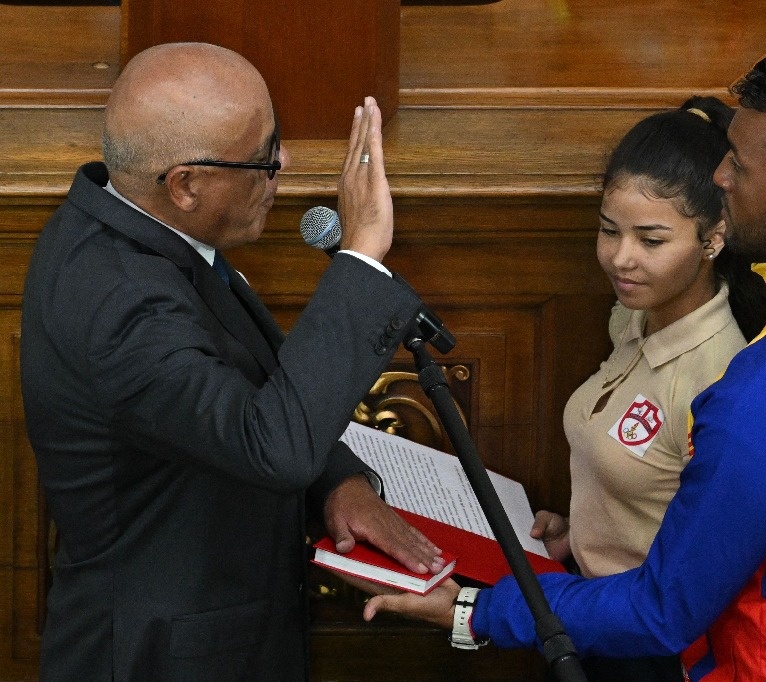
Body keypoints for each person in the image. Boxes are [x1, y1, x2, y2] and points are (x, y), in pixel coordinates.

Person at [363, 51, 766, 681]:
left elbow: (661, 612)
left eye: (740, 166)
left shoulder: (758, 403)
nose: (719, 175)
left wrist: (476, 611)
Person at [19, 42, 446, 681]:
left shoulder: (134, 226)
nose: (284, 164)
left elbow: (246, 384)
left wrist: (337, 481)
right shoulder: (122, 304)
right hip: (164, 655)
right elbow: (267, 443)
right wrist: (362, 254)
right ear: (186, 184)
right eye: (263, 157)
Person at [527, 96, 766, 681]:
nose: (620, 259)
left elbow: (706, 565)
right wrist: (585, 530)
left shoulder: (718, 380)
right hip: (591, 609)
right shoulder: (630, 319)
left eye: (651, 240)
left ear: (713, 239)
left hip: (653, 649)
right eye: (609, 231)